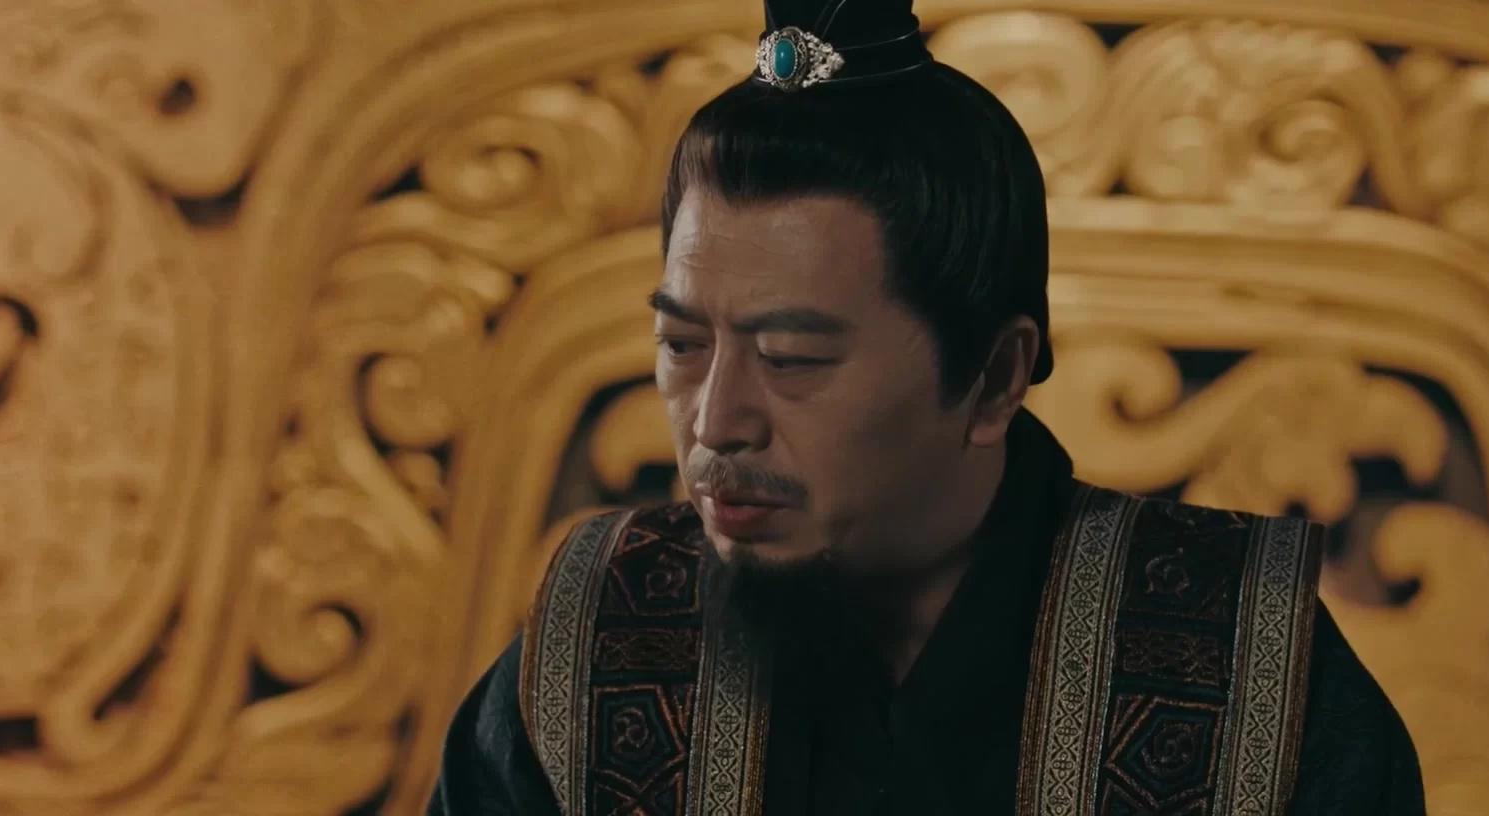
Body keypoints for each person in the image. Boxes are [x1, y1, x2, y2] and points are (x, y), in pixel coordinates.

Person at [427, 0, 1426, 812]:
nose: (716, 421)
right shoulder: (597, 645)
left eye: (791, 357)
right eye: (683, 346)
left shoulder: (1246, 669)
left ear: (993, 377)